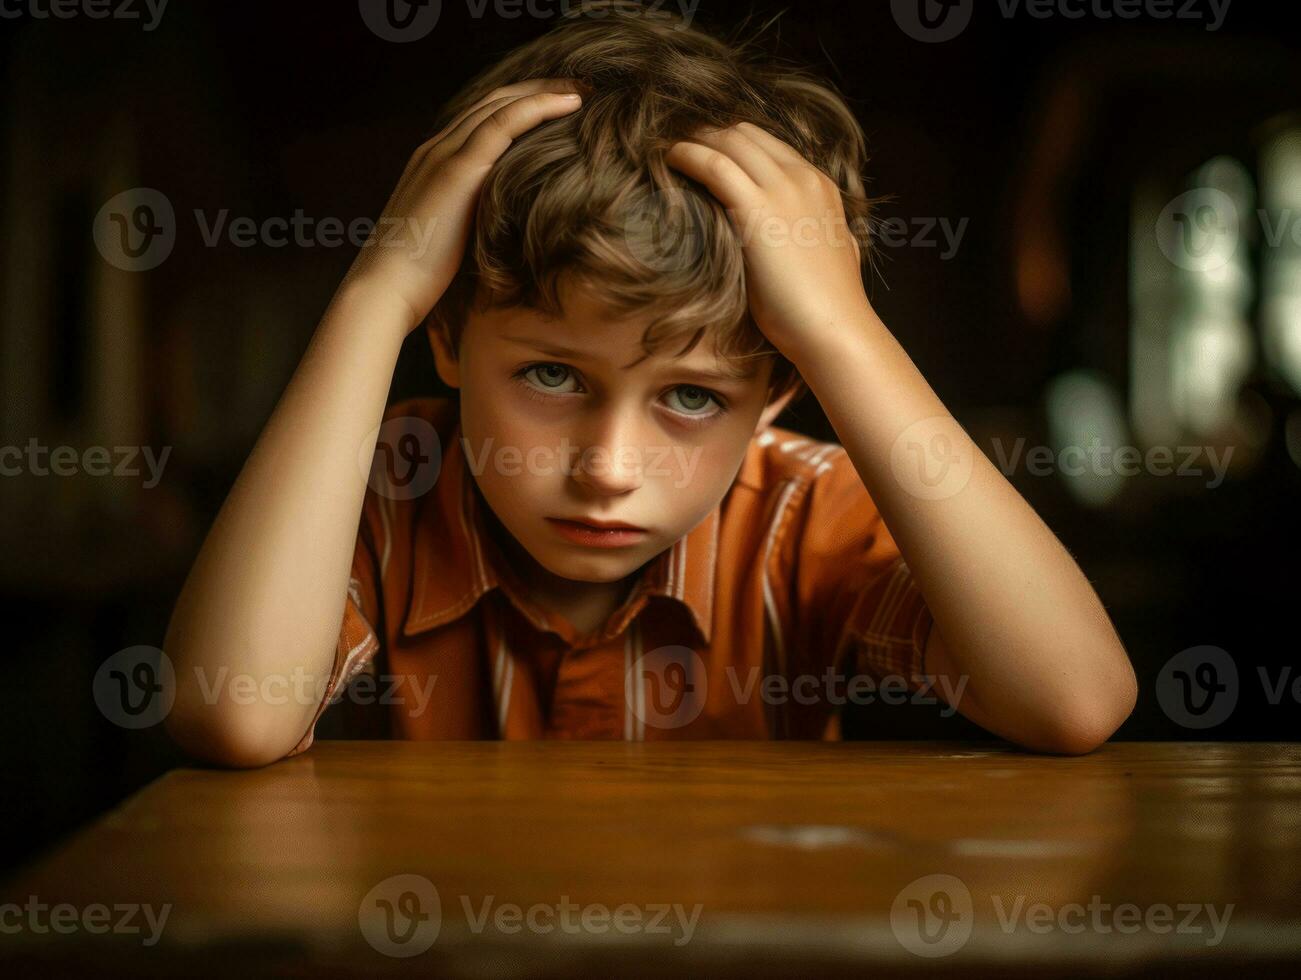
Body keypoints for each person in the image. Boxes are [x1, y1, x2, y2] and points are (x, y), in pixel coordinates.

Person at [163, 2, 1137, 768]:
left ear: (779, 391)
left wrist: (840, 331)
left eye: (692, 396)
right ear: (450, 337)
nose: (607, 468)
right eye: (551, 373)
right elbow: (232, 715)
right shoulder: (387, 491)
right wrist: (378, 295)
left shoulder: (800, 513)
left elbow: (1072, 699)